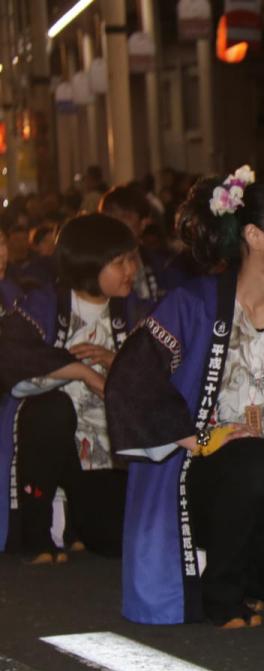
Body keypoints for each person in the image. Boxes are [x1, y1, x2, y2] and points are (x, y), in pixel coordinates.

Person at [105, 166, 264, 628]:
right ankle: (222, 593)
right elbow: (132, 376)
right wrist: (200, 439)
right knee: (253, 464)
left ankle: (246, 562)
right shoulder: (193, 305)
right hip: (204, 475)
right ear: (254, 236)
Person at [0, 214, 143, 562]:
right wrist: (81, 372)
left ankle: (78, 522)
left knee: (114, 541)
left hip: (105, 455)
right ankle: (36, 532)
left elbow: (159, 380)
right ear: (88, 264)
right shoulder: (43, 306)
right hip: (51, 442)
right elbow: (16, 370)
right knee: (50, 409)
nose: (132, 270)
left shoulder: (136, 312)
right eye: (120, 262)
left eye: (133, 259)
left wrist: (116, 363)